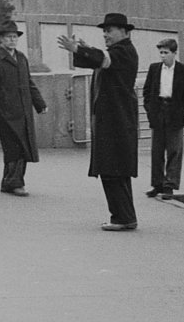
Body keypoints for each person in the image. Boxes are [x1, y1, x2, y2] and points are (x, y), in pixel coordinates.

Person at [57, 13, 140, 231]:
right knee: (115, 170)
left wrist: (78, 50)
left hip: (117, 121)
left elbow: (102, 59)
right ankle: (124, 216)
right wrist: (86, 50)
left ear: (124, 32)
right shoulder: (120, 51)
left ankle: (122, 218)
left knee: (113, 169)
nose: (106, 34)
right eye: (104, 31)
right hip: (115, 120)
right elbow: (99, 59)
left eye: (110, 30)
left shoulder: (124, 51)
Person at [0, 20, 46, 196]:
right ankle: (14, 182)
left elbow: (29, 82)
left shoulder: (22, 58)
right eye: (8, 37)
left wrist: (39, 103)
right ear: (1, 40)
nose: (12, 40)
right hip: (6, 112)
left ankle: (9, 182)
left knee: (23, 147)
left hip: (23, 111)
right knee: (13, 148)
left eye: (14, 37)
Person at [142, 38, 184, 199]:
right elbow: (147, 90)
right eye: (161, 53)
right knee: (157, 150)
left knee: (174, 149)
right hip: (158, 109)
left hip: (175, 110)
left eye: (166, 53)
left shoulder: (183, 70)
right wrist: (149, 108)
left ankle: (170, 184)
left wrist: (183, 109)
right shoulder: (154, 69)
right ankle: (157, 183)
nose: (163, 56)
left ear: (174, 53)